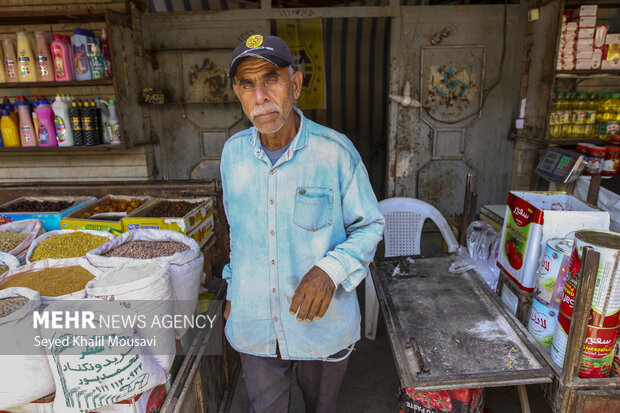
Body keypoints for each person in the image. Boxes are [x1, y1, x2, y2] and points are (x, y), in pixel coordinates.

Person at [220, 34, 384, 413]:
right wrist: (232, 287)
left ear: (295, 84)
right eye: (248, 84)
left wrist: (329, 270)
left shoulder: (335, 151)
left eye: (271, 79)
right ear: (237, 93)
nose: (260, 96)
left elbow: (370, 226)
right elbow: (238, 232)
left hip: (322, 326)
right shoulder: (233, 155)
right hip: (254, 319)